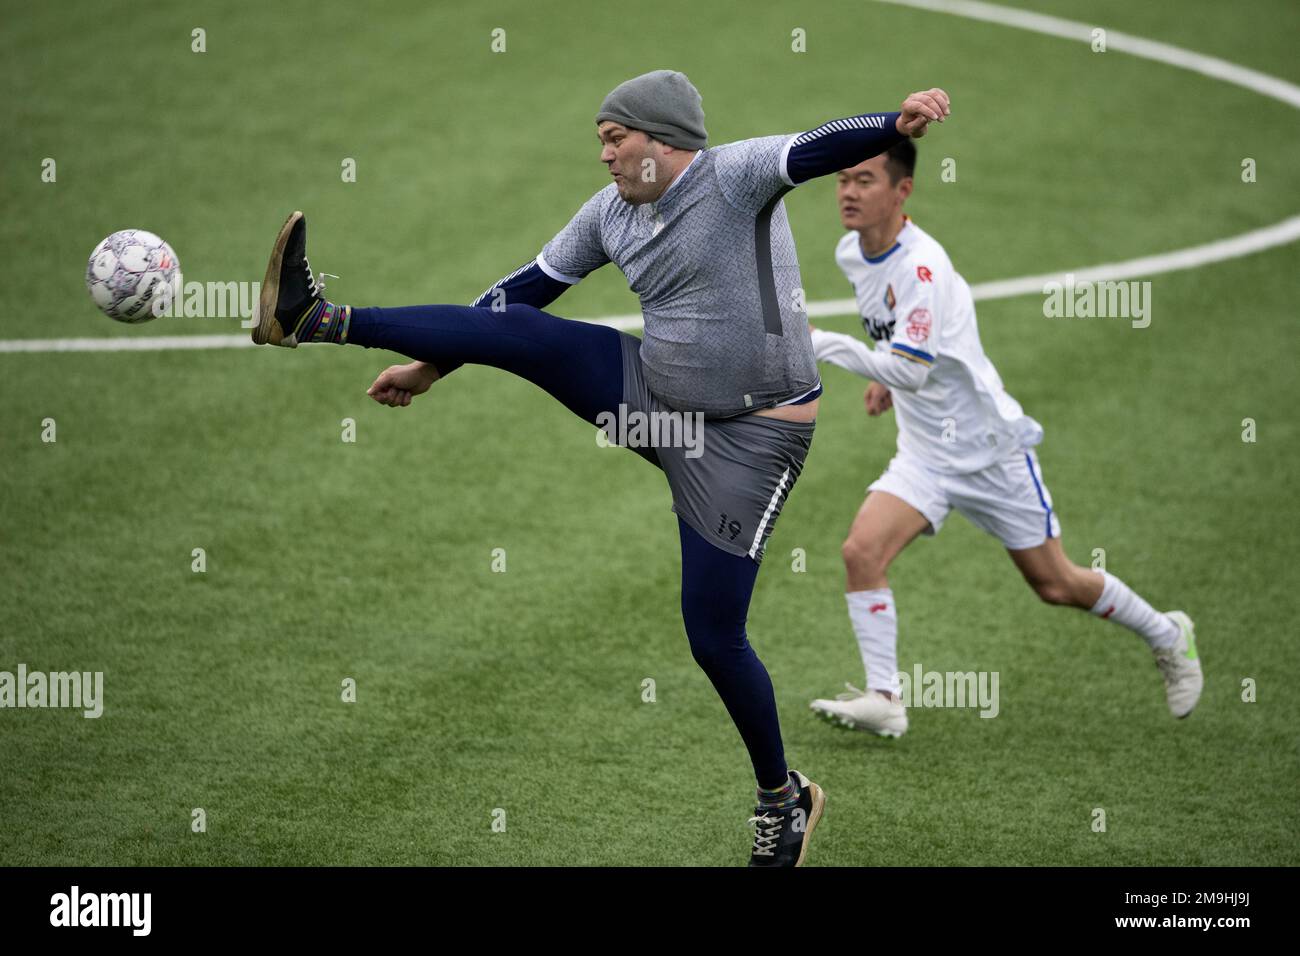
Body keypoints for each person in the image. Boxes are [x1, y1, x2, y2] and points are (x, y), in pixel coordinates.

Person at [252, 70, 950, 865]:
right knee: (529, 331)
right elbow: (516, 298)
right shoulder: (610, 215)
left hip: (751, 445)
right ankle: (312, 317)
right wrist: (431, 364)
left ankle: (783, 800)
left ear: (663, 141)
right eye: (602, 142)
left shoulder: (734, 175)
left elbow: (823, 146)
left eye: (616, 139)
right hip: (655, 399)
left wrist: (894, 120)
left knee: (713, 637)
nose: (606, 156)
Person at [807, 141, 1202, 739]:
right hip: (924, 452)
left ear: (902, 191)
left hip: (988, 451)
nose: (848, 193)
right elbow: (914, 345)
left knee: (1056, 583)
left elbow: (913, 365)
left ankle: (1169, 634)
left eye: (864, 180)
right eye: (842, 180)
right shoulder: (853, 253)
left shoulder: (924, 267)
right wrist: (886, 375)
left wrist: (823, 345)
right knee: (862, 552)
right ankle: (885, 697)